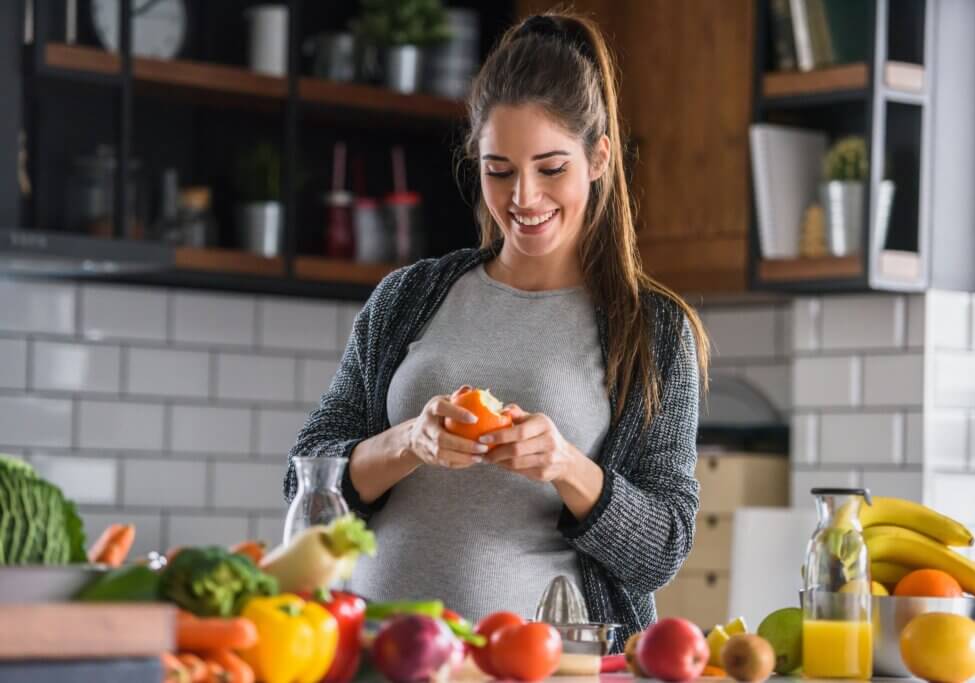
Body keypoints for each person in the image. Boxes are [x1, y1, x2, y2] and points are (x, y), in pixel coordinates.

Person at [284, 11, 710, 651]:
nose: (524, 197)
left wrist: (564, 465)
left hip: (555, 667)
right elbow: (303, 484)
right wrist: (411, 440)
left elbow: (662, 550)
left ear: (597, 159)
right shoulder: (408, 299)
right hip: (377, 656)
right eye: (500, 169)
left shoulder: (652, 331)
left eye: (550, 167)